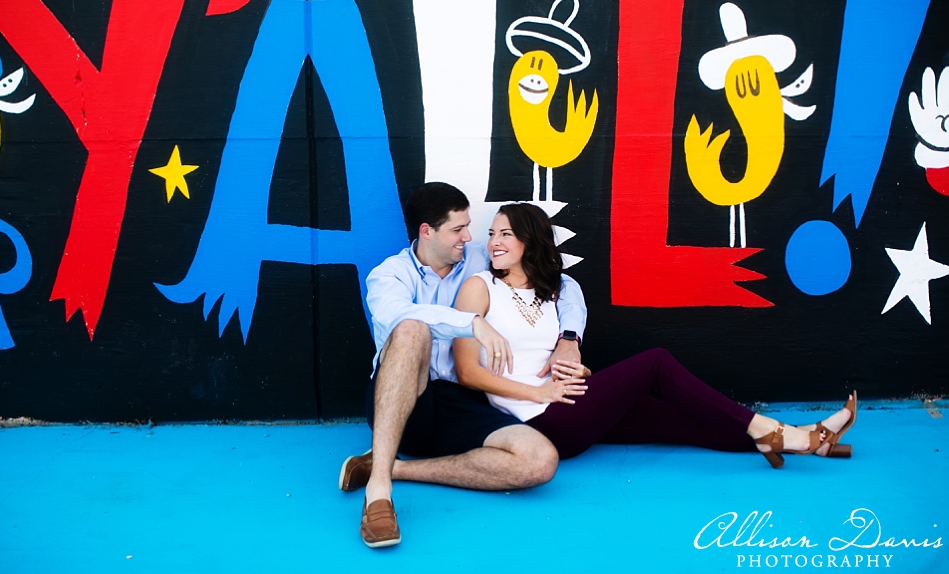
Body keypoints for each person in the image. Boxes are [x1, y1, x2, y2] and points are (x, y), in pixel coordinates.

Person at [452, 203, 857, 467]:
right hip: (542, 420)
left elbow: (549, 354)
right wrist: (539, 393)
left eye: (505, 233)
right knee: (656, 363)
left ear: (530, 239)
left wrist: (577, 372)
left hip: (570, 403)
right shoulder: (479, 287)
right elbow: (468, 372)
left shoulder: (552, 291)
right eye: (492, 234)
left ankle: (806, 439)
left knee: (684, 423)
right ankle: (782, 433)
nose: (494, 242)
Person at [338, 183, 588, 548]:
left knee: (539, 460)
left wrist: (569, 337)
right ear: (427, 231)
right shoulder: (389, 275)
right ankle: (379, 493)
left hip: (463, 401)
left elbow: (560, 281)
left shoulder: (477, 260)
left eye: (469, 227)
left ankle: (391, 466)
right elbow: (396, 315)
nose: (469, 237)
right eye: (458, 229)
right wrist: (471, 323)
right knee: (411, 329)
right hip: (407, 400)